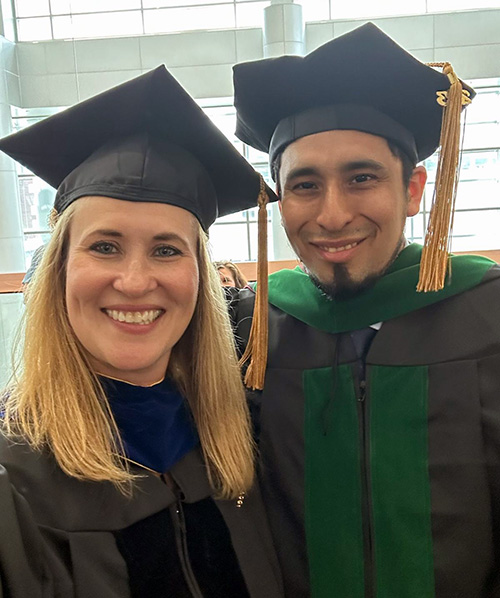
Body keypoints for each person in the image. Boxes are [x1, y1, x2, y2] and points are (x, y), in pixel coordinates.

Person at [230, 22, 500, 598]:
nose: (331, 215)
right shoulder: (251, 337)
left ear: (413, 189)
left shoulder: (490, 315)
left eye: (361, 178)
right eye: (304, 185)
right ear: (278, 200)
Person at [0, 66, 283, 597]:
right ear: (59, 267)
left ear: (200, 275)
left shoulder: (241, 434)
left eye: (166, 250)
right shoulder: (13, 473)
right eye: (104, 246)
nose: (134, 282)